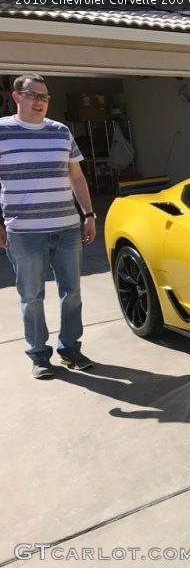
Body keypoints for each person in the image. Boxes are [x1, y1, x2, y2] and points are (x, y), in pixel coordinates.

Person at [0, 73, 96, 378]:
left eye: (44, 97)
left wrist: (89, 214)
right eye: (33, 95)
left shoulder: (60, 131)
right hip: (24, 231)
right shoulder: (2, 132)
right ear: (17, 97)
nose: (39, 102)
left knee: (72, 293)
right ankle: (39, 355)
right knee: (32, 297)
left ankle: (70, 349)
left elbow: (76, 176)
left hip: (67, 227)